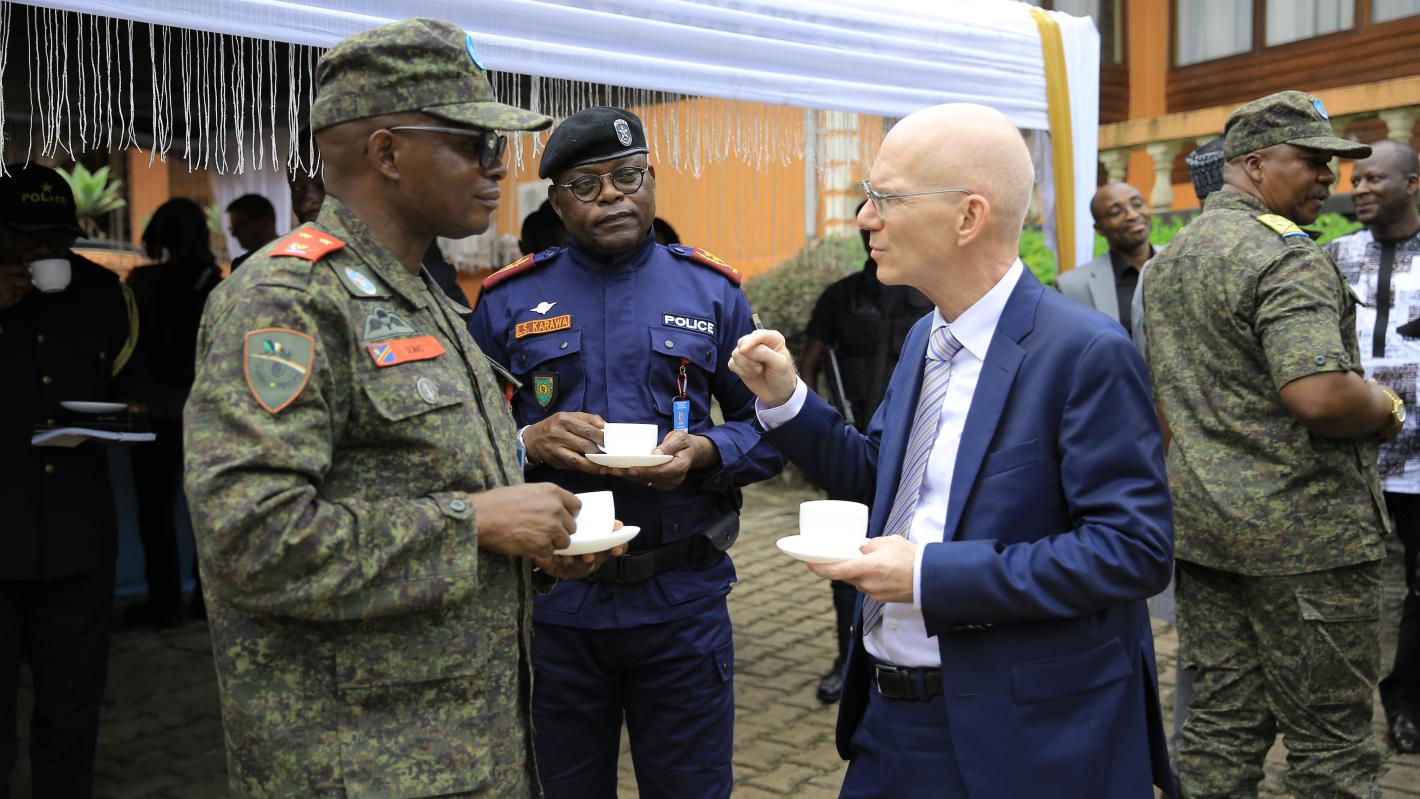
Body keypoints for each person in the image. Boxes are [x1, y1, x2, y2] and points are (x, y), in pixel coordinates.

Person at [181, 18, 606, 796]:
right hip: (357, 763)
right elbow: (252, 539)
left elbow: (416, 484)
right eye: (474, 143)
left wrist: (526, 547)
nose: (499, 167)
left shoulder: (421, 296)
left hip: (460, 753)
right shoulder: (290, 302)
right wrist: (474, 524)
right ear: (385, 153)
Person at [729, 103, 1174, 798]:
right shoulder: (927, 338)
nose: (866, 219)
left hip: (1020, 737)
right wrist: (787, 399)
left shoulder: (1084, 353)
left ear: (968, 217)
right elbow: (884, 480)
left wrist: (932, 575)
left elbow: (1131, 550)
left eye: (887, 198)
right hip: (885, 721)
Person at [470, 106, 783, 799]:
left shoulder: (713, 293)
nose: (612, 195)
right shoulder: (506, 302)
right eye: (586, 184)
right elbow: (455, 448)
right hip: (555, 609)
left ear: (651, 179)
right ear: (556, 201)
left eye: (628, 175)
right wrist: (527, 440)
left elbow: (774, 428)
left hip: (681, 605)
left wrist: (704, 449)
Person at [1145, 90, 1397, 798]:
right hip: (1309, 544)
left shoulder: (1172, 259)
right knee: (1333, 750)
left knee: (1219, 730)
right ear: (1253, 164)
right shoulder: (1286, 258)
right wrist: (1387, 406)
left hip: (1207, 534)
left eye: (1333, 164)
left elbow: (1169, 400)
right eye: (1312, 161)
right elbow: (1317, 394)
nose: (1329, 177)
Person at [0, 162, 140, 798]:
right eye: (25, 236)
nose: (41, 250)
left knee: (72, 705)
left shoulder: (102, 293)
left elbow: (122, 386)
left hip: (78, 535)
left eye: (55, 235)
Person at [799, 200, 932, 704]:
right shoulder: (841, 297)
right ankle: (847, 656)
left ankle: (903, 649)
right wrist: (816, 445)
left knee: (911, 553)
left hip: (913, 450)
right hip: (853, 441)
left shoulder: (928, 295)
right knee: (842, 560)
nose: (869, 230)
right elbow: (809, 364)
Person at [1325, 137, 1420, 755]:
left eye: (1375, 179)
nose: (1359, 189)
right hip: (1347, 457)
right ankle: (1334, 710)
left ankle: (1407, 701)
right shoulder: (1332, 256)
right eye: (1355, 180)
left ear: (1412, 184)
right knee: (1337, 587)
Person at [125, 198, 222, 627]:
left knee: (155, 511)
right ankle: (206, 599)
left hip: (153, 410)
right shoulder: (212, 282)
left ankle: (163, 602)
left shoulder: (141, 282)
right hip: (202, 409)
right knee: (207, 510)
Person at [283, 140, 470, 306]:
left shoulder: (419, 264)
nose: (308, 202)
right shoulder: (284, 271)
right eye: (297, 187)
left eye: (321, 186)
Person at [1056, 181, 1155, 333]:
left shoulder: (1182, 262)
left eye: (1137, 204)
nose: (1133, 215)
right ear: (1099, 229)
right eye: (1116, 212)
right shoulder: (1072, 287)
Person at [225, 193, 278, 270]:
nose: (234, 234)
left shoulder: (292, 258)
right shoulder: (239, 265)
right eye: (232, 228)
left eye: (240, 226)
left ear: (264, 222)